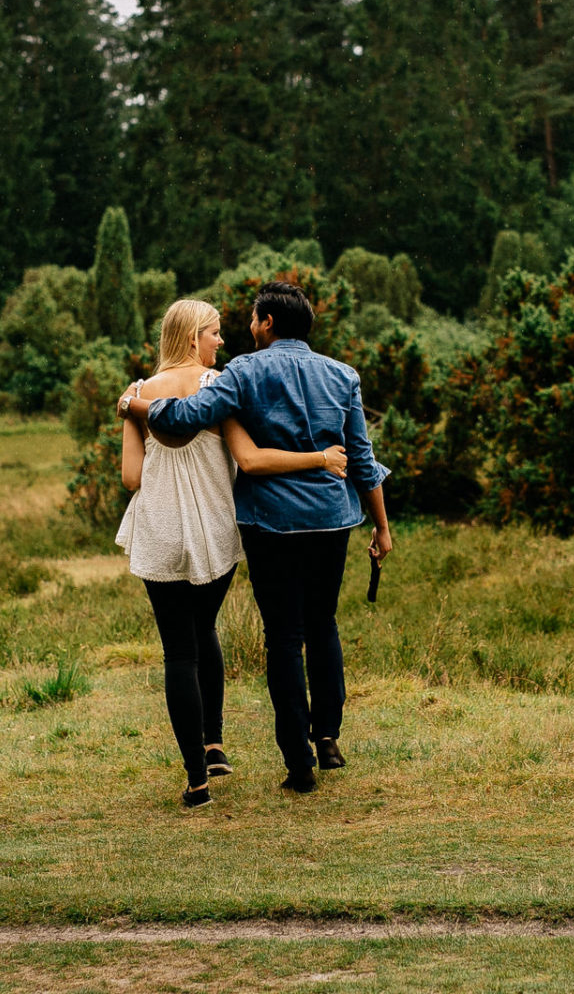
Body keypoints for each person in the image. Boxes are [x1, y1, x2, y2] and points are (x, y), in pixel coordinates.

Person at [118, 281, 392, 794]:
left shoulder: (243, 372)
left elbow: (185, 416)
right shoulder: (342, 374)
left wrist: (135, 405)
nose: (241, 331)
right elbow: (361, 456)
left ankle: (297, 763)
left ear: (267, 322)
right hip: (331, 519)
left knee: (283, 637)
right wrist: (381, 524)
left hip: (271, 522)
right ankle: (327, 735)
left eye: (249, 319)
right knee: (323, 624)